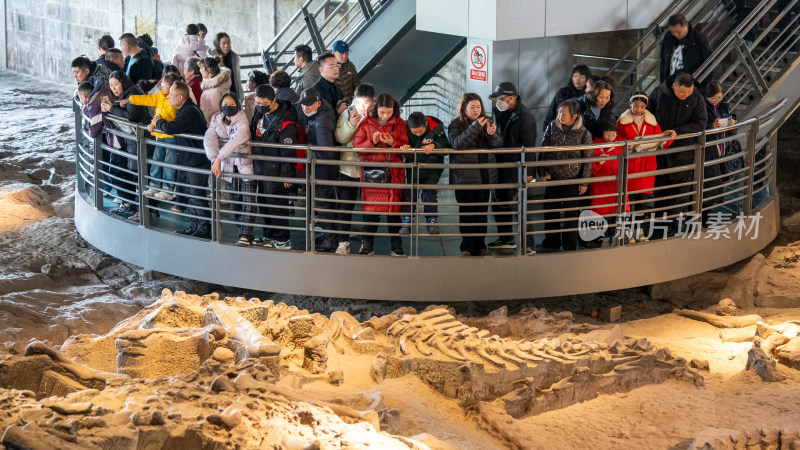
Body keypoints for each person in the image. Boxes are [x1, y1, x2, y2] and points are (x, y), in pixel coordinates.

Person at [648, 72, 707, 235]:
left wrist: (678, 132)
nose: (686, 96)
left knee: (681, 197)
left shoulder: (696, 98)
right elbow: (648, 115)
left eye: (689, 92)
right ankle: (658, 232)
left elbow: (701, 122)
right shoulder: (659, 94)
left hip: (684, 155)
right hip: (660, 154)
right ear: (674, 86)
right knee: (660, 194)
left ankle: (677, 232)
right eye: (682, 93)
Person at [448, 93, 504, 257]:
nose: (476, 110)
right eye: (472, 107)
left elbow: (499, 144)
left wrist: (492, 135)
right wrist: (475, 128)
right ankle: (466, 247)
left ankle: (481, 245)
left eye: (478, 106)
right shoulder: (455, 124)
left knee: (481, 214)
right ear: (464, 108)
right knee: (467, 214)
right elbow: (457, 144)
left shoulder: (488, 121)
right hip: (465, 178)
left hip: (485, 176)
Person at [353, 93, 409, 256]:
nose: (385, 115)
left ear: (394, 110)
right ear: (376, 109)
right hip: (374, 174)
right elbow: (358, 148)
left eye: (389, 112)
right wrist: (374, 142)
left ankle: (396, 247)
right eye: (382, 112)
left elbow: (406, 145)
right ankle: (368, 246)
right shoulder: (365, 123)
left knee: (394, 213)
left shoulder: (400, 124)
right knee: (371, 213)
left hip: (394, 173)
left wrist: (394, 143)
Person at [153, 81, 210, 238]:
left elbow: (170, 128)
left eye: (171, 95)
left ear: (180, 97)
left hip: (196, 161)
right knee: (191, 197)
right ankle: (194, 226)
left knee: (197, 196)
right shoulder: (185, 110)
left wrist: (158, 121)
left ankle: (204, 229)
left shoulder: (189, 112)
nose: (169, 97)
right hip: (189, 160)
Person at [537, 100, 593, 252]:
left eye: (564, 113)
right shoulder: (552, 126)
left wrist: (584, 182)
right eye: (559, 112)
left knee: (570, 215)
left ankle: (569, 246)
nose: (560, 116)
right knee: (550, 211)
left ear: (574, 116)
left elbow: (588, 159)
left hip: (572, 179)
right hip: (553, 177)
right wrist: (541, 171)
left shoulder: (583, 132)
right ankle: (551, 243)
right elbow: (544, 149)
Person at [488, 81, 538, 250]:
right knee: (499, 204)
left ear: (511, 98)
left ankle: (528, 244)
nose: (497, 102)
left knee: (520, 207)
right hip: (500, 167)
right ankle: (506, 238)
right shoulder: (498, 112)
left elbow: (530, 146)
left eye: (500, 99)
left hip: (517, 168)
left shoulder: (525, 117)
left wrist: (529, 171)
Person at [250, 85, 301, 249]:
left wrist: (288, 175)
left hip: (277, 171)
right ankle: (269, 235)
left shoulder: (286, 123)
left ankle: (282, 239)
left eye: (263, 102)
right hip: (261, 167)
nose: (260, 105)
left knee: (277, 206)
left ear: (273, 100)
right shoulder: (259, 113)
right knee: (263, 203)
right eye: (257, 102)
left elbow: (288, 152)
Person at [617, 91, 670, 242]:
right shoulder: (622, 121)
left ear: (646, 106)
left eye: (642, 106)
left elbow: (661, 140)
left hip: (646, 168)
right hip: (629, 166)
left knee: (644, 201)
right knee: (627, 202)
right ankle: (627, 232)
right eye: (635, 106)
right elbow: (617, 140)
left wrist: (669, 137)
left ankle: (640, 232)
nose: (638, 109)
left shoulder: (652, 122)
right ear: (630, 104)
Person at [120, 73, 180, 201]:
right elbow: (148, 100)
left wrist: (153, 123)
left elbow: (166, 115)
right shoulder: (161, 96)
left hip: (170, 136)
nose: (162, 85)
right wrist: (130, 100)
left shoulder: (174, 100)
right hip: (160, 135)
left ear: (173, 86)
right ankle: (154, 186)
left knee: (169, 163)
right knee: (157, 161)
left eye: (164, 84)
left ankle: (168, 189)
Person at [205, 92, 255, 246]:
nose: (228, 107)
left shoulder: (242, 118)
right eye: (225, 104)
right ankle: (242, 231)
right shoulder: (216, 119)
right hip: (228, 167)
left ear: (238, 106)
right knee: (235, 201)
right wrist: (214, 159)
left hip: (244, 165)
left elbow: (238, 138)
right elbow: (210, 138)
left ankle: (246, 235)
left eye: (232, 105)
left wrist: (220, 157)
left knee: (248, 199)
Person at [102, 71, 151, 219]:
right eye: (111, 86)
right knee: (131, 172)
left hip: (140, 138)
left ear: (123, 82)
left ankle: (142, 210)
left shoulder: (133, 93)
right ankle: (133, 206)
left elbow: (130, 116)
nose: (114, 88)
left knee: (139, 173)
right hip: (131, 139)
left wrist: (111, 109)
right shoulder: (125, 94)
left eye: (116, 84)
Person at [333, 83, 375, 254]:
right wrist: (351, 124)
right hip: (348, 169)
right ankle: (343, 242)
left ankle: (367, 244)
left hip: (370, 170)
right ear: (355, 100)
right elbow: (340, 138)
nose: (363, 107)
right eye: (360, 103)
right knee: (345, 207)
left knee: (370, 209)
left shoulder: (376, 114)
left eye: (367, 103)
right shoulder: (348, 113)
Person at [297, 88, 339, 253]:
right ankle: (330, 238)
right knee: (322, 204)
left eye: (309, 105)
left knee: (322, 204)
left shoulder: (322, 121)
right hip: (322, 167)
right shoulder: (320, 113)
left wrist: (308, 151)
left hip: (323, 168)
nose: (305, 108)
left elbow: (326, 150)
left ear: (318, 103)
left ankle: (331, 241)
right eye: (303, 105)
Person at [399, 112, 448, 235]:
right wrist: (403, 148)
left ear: (426, 124)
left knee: (429, 193)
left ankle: (431, 221)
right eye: (414, 132)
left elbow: (446, 147)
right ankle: (407, 221)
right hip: (413, 167)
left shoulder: (436, 127)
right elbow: (400, 143)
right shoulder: (404, 128)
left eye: (420, 131)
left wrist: (434, 145)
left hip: (432, 168)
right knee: (410, 193)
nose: (418, 134)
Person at [703, 81, 739, 224]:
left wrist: (731, 124)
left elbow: (731, 131)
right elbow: (700, 127)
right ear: (706, 97)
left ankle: (708, 216)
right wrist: (711, 126)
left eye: (719, 97)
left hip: (723, 150)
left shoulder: (723, 107)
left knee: (718, 185)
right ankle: (704, 218)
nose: (717, 100)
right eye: (713, 98)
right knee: (708, 187)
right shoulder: (703, 108)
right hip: (710, 152)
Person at [588, 119, 627, 246]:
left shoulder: (621, 144)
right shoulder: (595, 145)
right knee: (601, 214)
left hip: (616, 185)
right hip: (601, 185)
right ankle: (601, 238)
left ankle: (614, 236)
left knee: (616, 212)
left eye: (613, 133)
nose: (610, 136)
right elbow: (590, 168)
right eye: (607, 133)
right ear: (601, 133)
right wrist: (598, 163)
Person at [660, 14, 712, 83]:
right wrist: (662, 84)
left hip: (689, 85)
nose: (676, 34)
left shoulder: (699, 39)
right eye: (673, 32)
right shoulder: (668, 37)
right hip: (671, 84)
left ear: (686, 26)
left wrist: (699, 86)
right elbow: (663, 61)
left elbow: (708, 63)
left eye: (678, 32)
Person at [544, 65, 592, 131]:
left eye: (581, 76)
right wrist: (547, 128)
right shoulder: (563, 92)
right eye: (575, 76)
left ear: (587, 79)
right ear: (571, 78)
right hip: (561, 130)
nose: (578, 79)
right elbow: (552, 112)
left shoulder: (589, 95)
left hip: (583, 132)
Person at [199, 57, 232, 124]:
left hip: (215, 127)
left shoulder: (214, 91)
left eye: (201, 68)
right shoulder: (220, 84)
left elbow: (218, 113)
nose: (200, 70)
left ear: (208, 70)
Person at [210, 32, 241, 101]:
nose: (227, 46)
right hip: (219, 94)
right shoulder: (213, 58)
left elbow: (237, 78)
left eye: (228, 43)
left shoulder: (234, 57)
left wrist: (240, 94)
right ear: (218, 44)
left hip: (233, 92)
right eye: (223, 43)